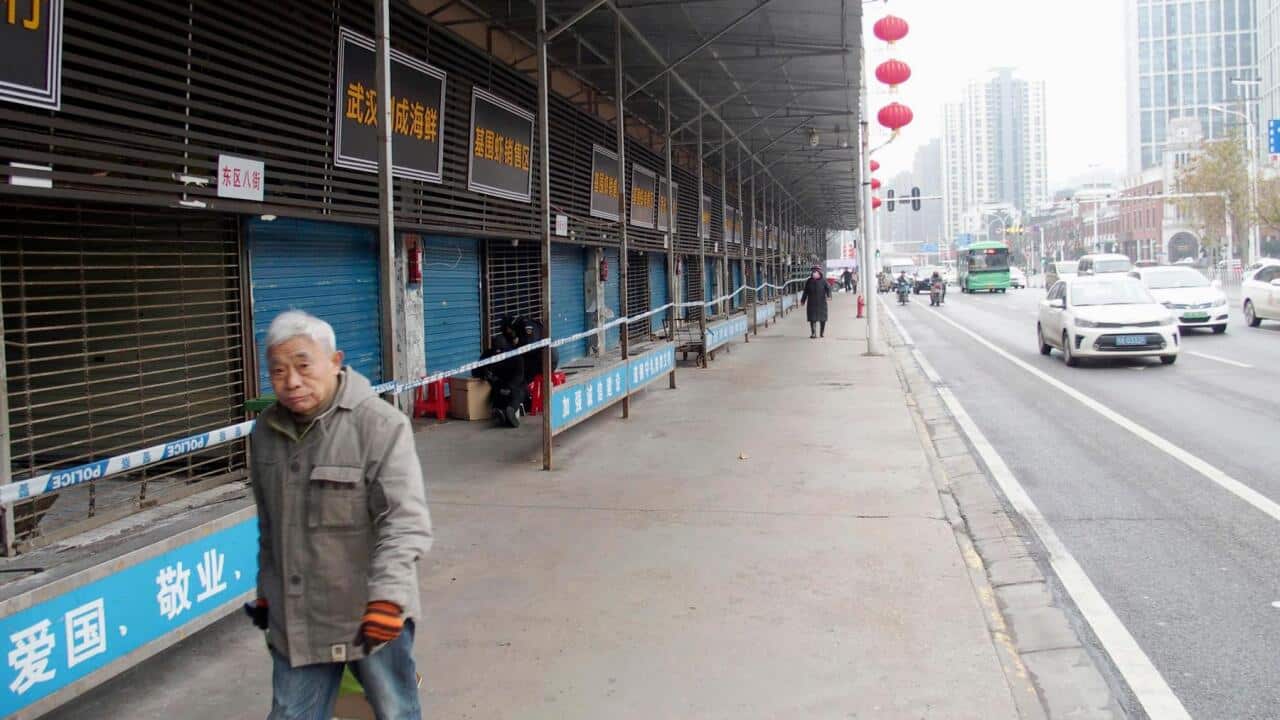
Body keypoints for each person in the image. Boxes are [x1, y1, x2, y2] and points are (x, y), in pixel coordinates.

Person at [247, 310, 432, 720]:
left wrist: (387, 598)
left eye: (303, 365)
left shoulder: (379, 425)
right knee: (291, 714)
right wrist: (266, 589)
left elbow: (405, 522)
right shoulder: (265, 432)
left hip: (368, 613)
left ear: (334, 361)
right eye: (278, 371)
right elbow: (269, 526)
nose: (291, 382)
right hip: (297, 617)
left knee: (395, 712)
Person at [800, 265, 831, 339]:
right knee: (812, 318)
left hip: (822, 303)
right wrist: (803, 300)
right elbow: (805, 292)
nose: (814, 273)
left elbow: (828, 289)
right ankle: (813, 333)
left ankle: (821, 333)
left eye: (815, 272)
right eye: (813, 272)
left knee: (822, 318)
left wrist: (829, 295)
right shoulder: (809, 281)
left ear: (819, 273)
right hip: (812, 303)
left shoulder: (823, 281)